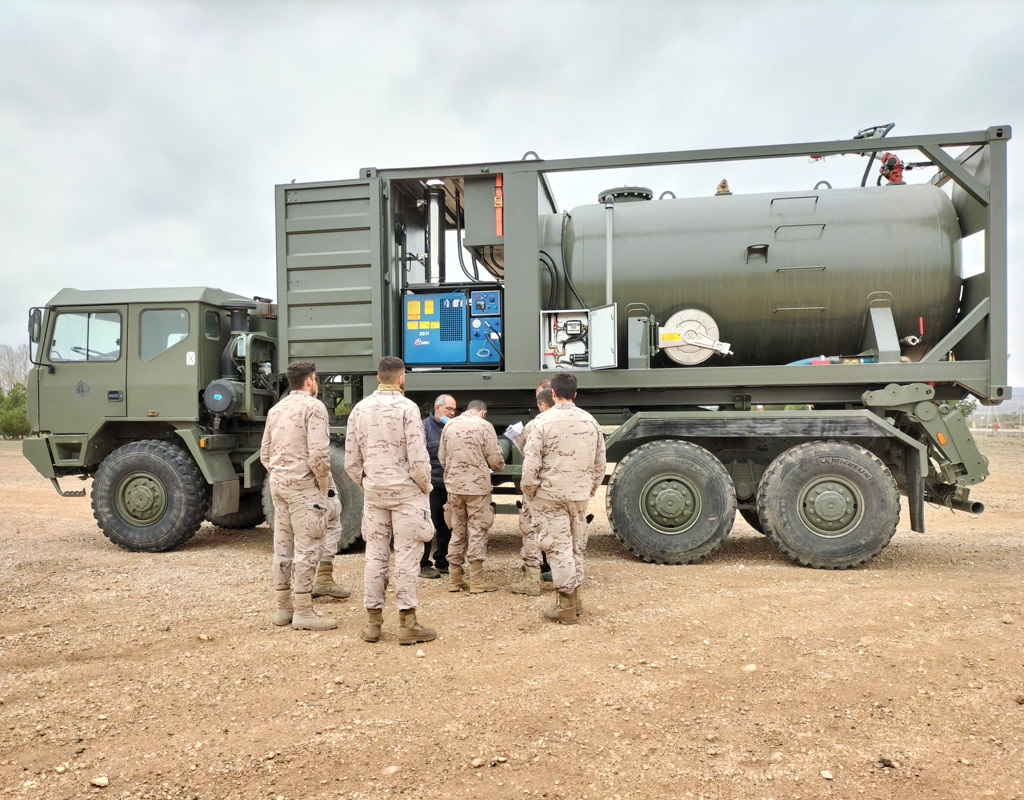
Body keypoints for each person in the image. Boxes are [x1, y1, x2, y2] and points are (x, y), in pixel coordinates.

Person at [344, 356, 437, 646]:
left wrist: (367, 483)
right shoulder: (407, 408)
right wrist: (425, 486)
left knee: (375, 555)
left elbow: (351, 460)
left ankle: (373, 623)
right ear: (401, 377)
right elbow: (418, 458)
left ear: (377, 377)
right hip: (407, 493)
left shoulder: (360, 409)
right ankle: (408, 623)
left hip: (375, 494)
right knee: (407, 556)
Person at [520, 373, 606, 624]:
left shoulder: (542, 422)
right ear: (575, 394)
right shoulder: (590, 421)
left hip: (550, 496)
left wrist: (530, 491)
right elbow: (600, 463)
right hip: (578, 495)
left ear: (553, 393)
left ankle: (566, 606)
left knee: (558, 548)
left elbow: (531, 464)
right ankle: (576, 601)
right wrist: (589, 489)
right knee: (576, 546)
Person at [259, 359, 338, 631]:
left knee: (283, 546)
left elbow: (265, 453)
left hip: (279, 485)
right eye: (316, 379)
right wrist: (323, 487)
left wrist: (282, 473)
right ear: (309, 380)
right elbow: (319, 456)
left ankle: (283, 609)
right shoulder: (314, 407)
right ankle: (304, 611)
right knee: (308, 548)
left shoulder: (276, 409)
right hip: (304, 488)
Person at [438, 399, 505, 592]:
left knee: (457, 530)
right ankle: (476, 582)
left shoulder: (449, 425)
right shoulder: (485, 426)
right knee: (477, 531)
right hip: (477, 489)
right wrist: (498, 467)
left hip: (454, 487)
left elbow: (442, 457)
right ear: (482, 412)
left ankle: (455, 579)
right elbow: (495, 460)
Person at [508, 387, 554, 596]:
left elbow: (530, 459)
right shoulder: (581, 420)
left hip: (540, 490)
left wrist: (528, 489)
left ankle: (532, 580)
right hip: (564, 490)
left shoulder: (535, 425)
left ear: (541, 404)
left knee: (531, 531)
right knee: (562, 532)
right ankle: (566, 581)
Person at [420, 394, 456, 579]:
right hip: (431, 484)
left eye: (454, 410)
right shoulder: (424, 427)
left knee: (446, 526)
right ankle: (423, 564)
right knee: (428, 525)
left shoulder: (454, 427)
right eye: (448, 409)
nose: (452, 413)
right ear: (437, 408)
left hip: (449, 484)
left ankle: (443, 561)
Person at [311, 475, 353, 600]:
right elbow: (320, 465)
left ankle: (298, 590)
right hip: (315, 487)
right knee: (330, 526)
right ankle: (323, 578)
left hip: (285, 485)